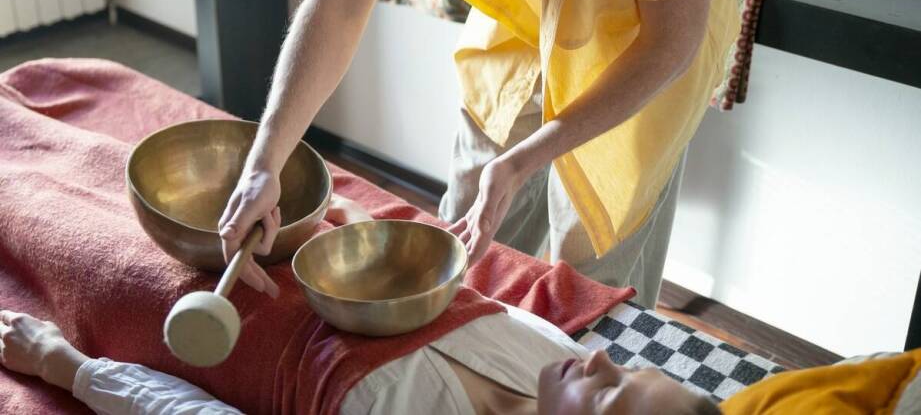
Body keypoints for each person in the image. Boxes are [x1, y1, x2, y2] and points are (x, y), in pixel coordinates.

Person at [217, 0, 740, 308]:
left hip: (636, 51)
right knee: (452, 260)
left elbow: (670, 44)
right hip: (521, 21)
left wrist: (524, 160)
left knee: (587, 298)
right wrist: (266, 161)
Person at [0, 307, 720, 414]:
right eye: (630, 368)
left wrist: (66, 367)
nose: (599, 359)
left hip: (189, 330)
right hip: (267, 250)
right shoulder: (555, 358)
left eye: (609, 397)